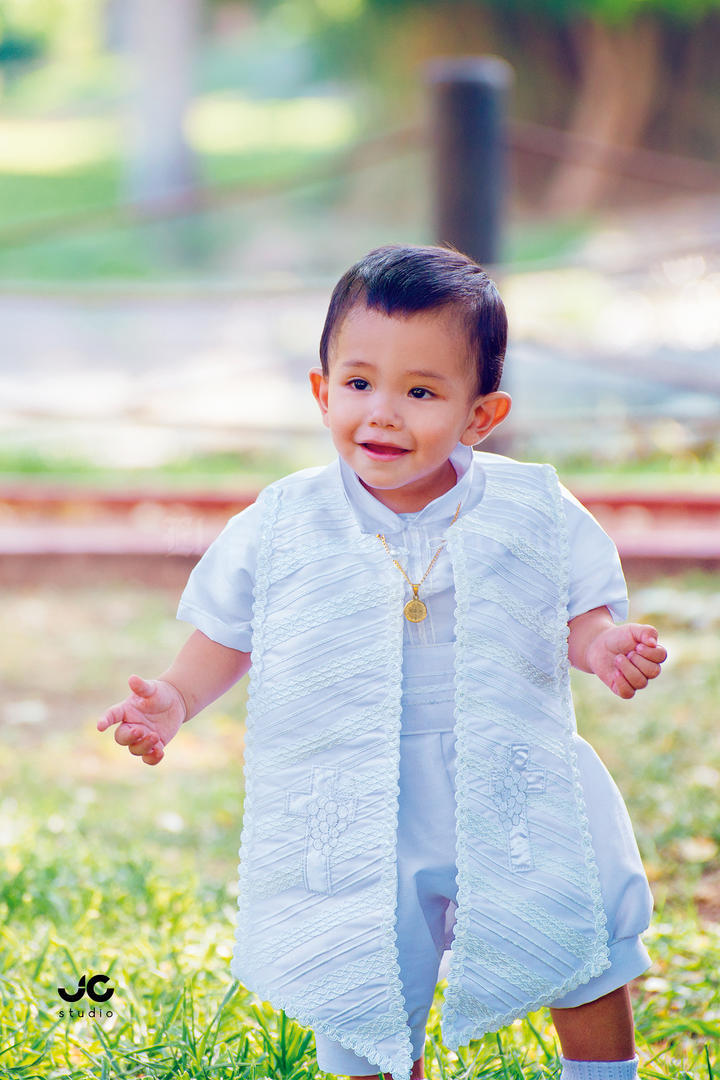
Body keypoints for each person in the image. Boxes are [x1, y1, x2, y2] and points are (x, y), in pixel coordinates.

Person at [98, 245, 666, 1080]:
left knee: (573, 937)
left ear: (481, 415)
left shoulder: (529, 505)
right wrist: (176, 700)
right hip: (351, 793)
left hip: (510, 779)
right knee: (359, 972)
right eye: (359, 385)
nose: (384, 414)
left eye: (422, 392)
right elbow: (230, 631)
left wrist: (604, 645)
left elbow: (574, 613)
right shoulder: (286, 520)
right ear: (323, 391)